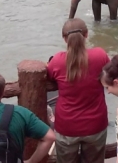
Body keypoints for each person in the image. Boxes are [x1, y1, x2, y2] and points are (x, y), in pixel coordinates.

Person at [47, 18, 110, 163]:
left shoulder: (57, 61)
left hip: (67, 126)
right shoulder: (100, 55)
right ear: (86, 35)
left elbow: (49, 76)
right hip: (96, 123)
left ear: (64, 39)